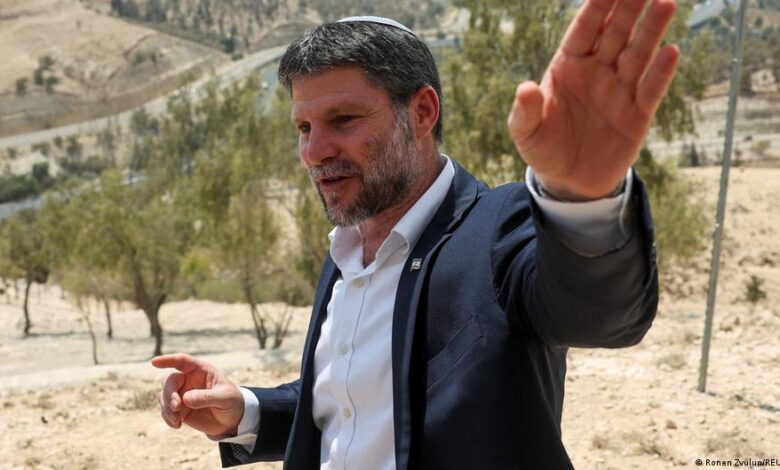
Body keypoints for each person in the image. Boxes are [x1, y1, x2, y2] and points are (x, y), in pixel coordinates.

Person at [153, 0, 679, 467]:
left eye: (343, 119)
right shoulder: (346, 253)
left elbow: (602, 315)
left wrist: (582, 198)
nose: (315, 151)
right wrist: (245, 410)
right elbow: (356, 407)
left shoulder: (499, 227)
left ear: (422, 112)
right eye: (304, 128)